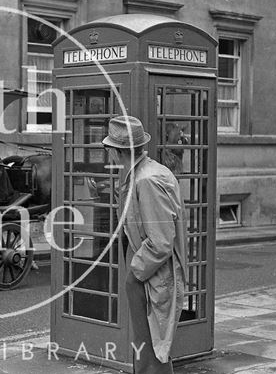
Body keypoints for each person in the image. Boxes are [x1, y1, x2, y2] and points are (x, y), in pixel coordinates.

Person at [102, 116, 188, 374]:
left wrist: (134, 274)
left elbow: (161, 241)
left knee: (151, 354)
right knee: (150, 351)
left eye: (109, 148)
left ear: (118, 151)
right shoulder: (144, 172)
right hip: (150, 273)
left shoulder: (145, 180)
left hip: (151, 275)